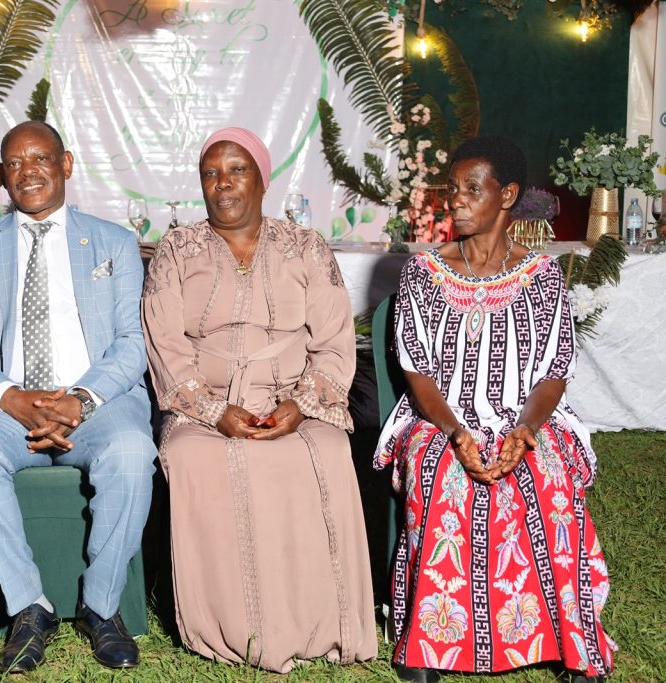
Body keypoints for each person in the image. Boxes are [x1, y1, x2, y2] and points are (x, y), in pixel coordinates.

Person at [374, 136, 614, 683]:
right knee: (441, 477)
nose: (454, 201)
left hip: (526, 417)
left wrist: (526, 430)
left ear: (506, 195)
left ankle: (575, 647)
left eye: (470, 190)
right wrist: (457, 433)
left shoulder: (542, 273)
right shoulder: (424, 272)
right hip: (440, 418)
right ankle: (428, 647)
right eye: (451, 189)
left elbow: (555, 369)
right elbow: (417, 371)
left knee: (549, 478)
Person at [142, 127, 378, 673]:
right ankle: (232, 628)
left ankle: (324, 624)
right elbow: (166, 344)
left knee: (324, 451)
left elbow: (334, 341)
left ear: (262, 179)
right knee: (195, 457)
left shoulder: (305, 247)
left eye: (237, 170)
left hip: (296, 402)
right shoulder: (177, 248)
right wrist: (210, 410)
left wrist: (301, 404)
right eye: (211, 173)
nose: (223, 184)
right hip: (203, 406)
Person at [0, 121, 157, 673]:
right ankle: (28, 605)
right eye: (14, 163)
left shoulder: (114, 242)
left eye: (40, 159)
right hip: (7, 407)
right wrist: (12, 398)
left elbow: (134, 344)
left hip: (96, 405)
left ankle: (101, 607)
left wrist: (80, 399)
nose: (28, 171)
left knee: (133, 453)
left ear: (66, 163)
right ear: (1, 177)